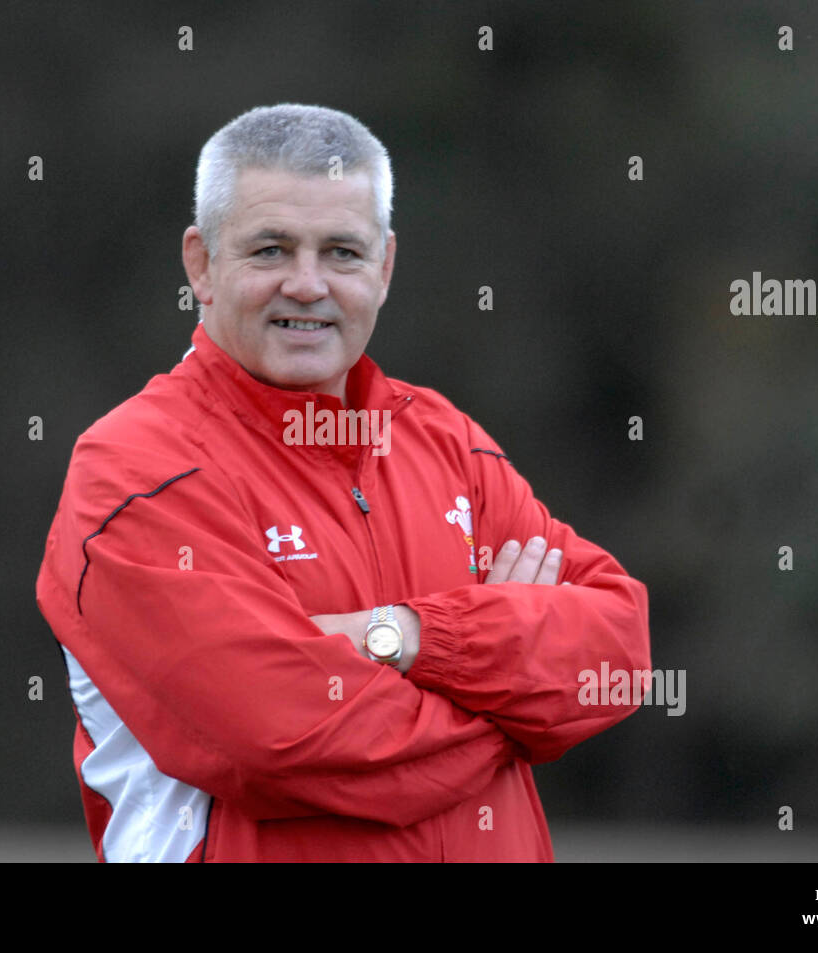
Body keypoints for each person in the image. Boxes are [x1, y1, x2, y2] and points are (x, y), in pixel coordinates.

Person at [35, 103, 650, 862]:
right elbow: (282, 737)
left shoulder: (446, 439)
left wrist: (404, 637)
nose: (306, 284)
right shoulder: (134, 471)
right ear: (200, 264)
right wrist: (512, 711)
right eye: (270, 249)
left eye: (341, 253)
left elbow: (617, 652)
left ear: (384, 267)